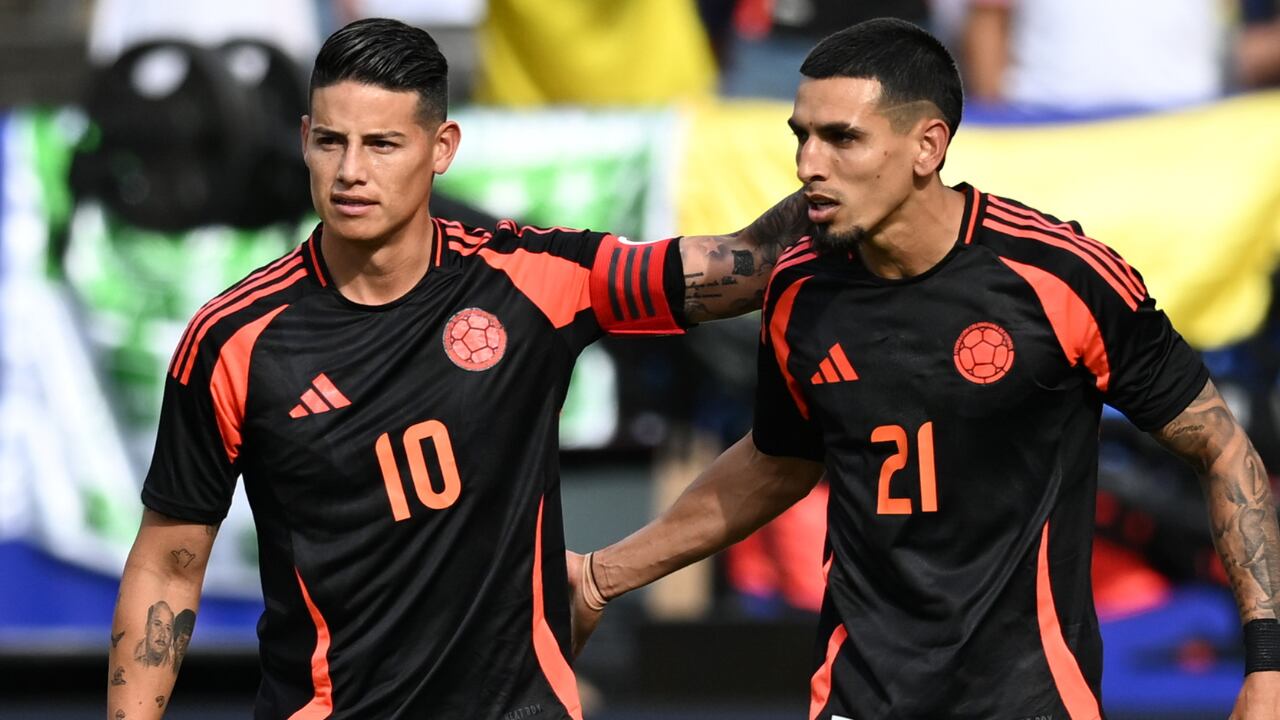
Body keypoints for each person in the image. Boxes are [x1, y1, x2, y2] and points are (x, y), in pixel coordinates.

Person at [571, 18, 1280, 719]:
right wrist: (605, 574)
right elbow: (779, 460)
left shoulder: (1059, 278)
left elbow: (1219, 448)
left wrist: (1268, 669)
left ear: (927, 147)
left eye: (842, 138)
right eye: (802, 137)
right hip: (858, 696)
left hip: (1028, 700)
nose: (808, 165)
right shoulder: (801, 290)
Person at [106, 17, 808, 720]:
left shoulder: (534, 278)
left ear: (442, 148)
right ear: (304, 141)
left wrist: (869, 170)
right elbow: (169, 563)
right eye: (331, 142)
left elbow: (749, 263)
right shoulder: (233, 338)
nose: (351, 171)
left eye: (382, 144)